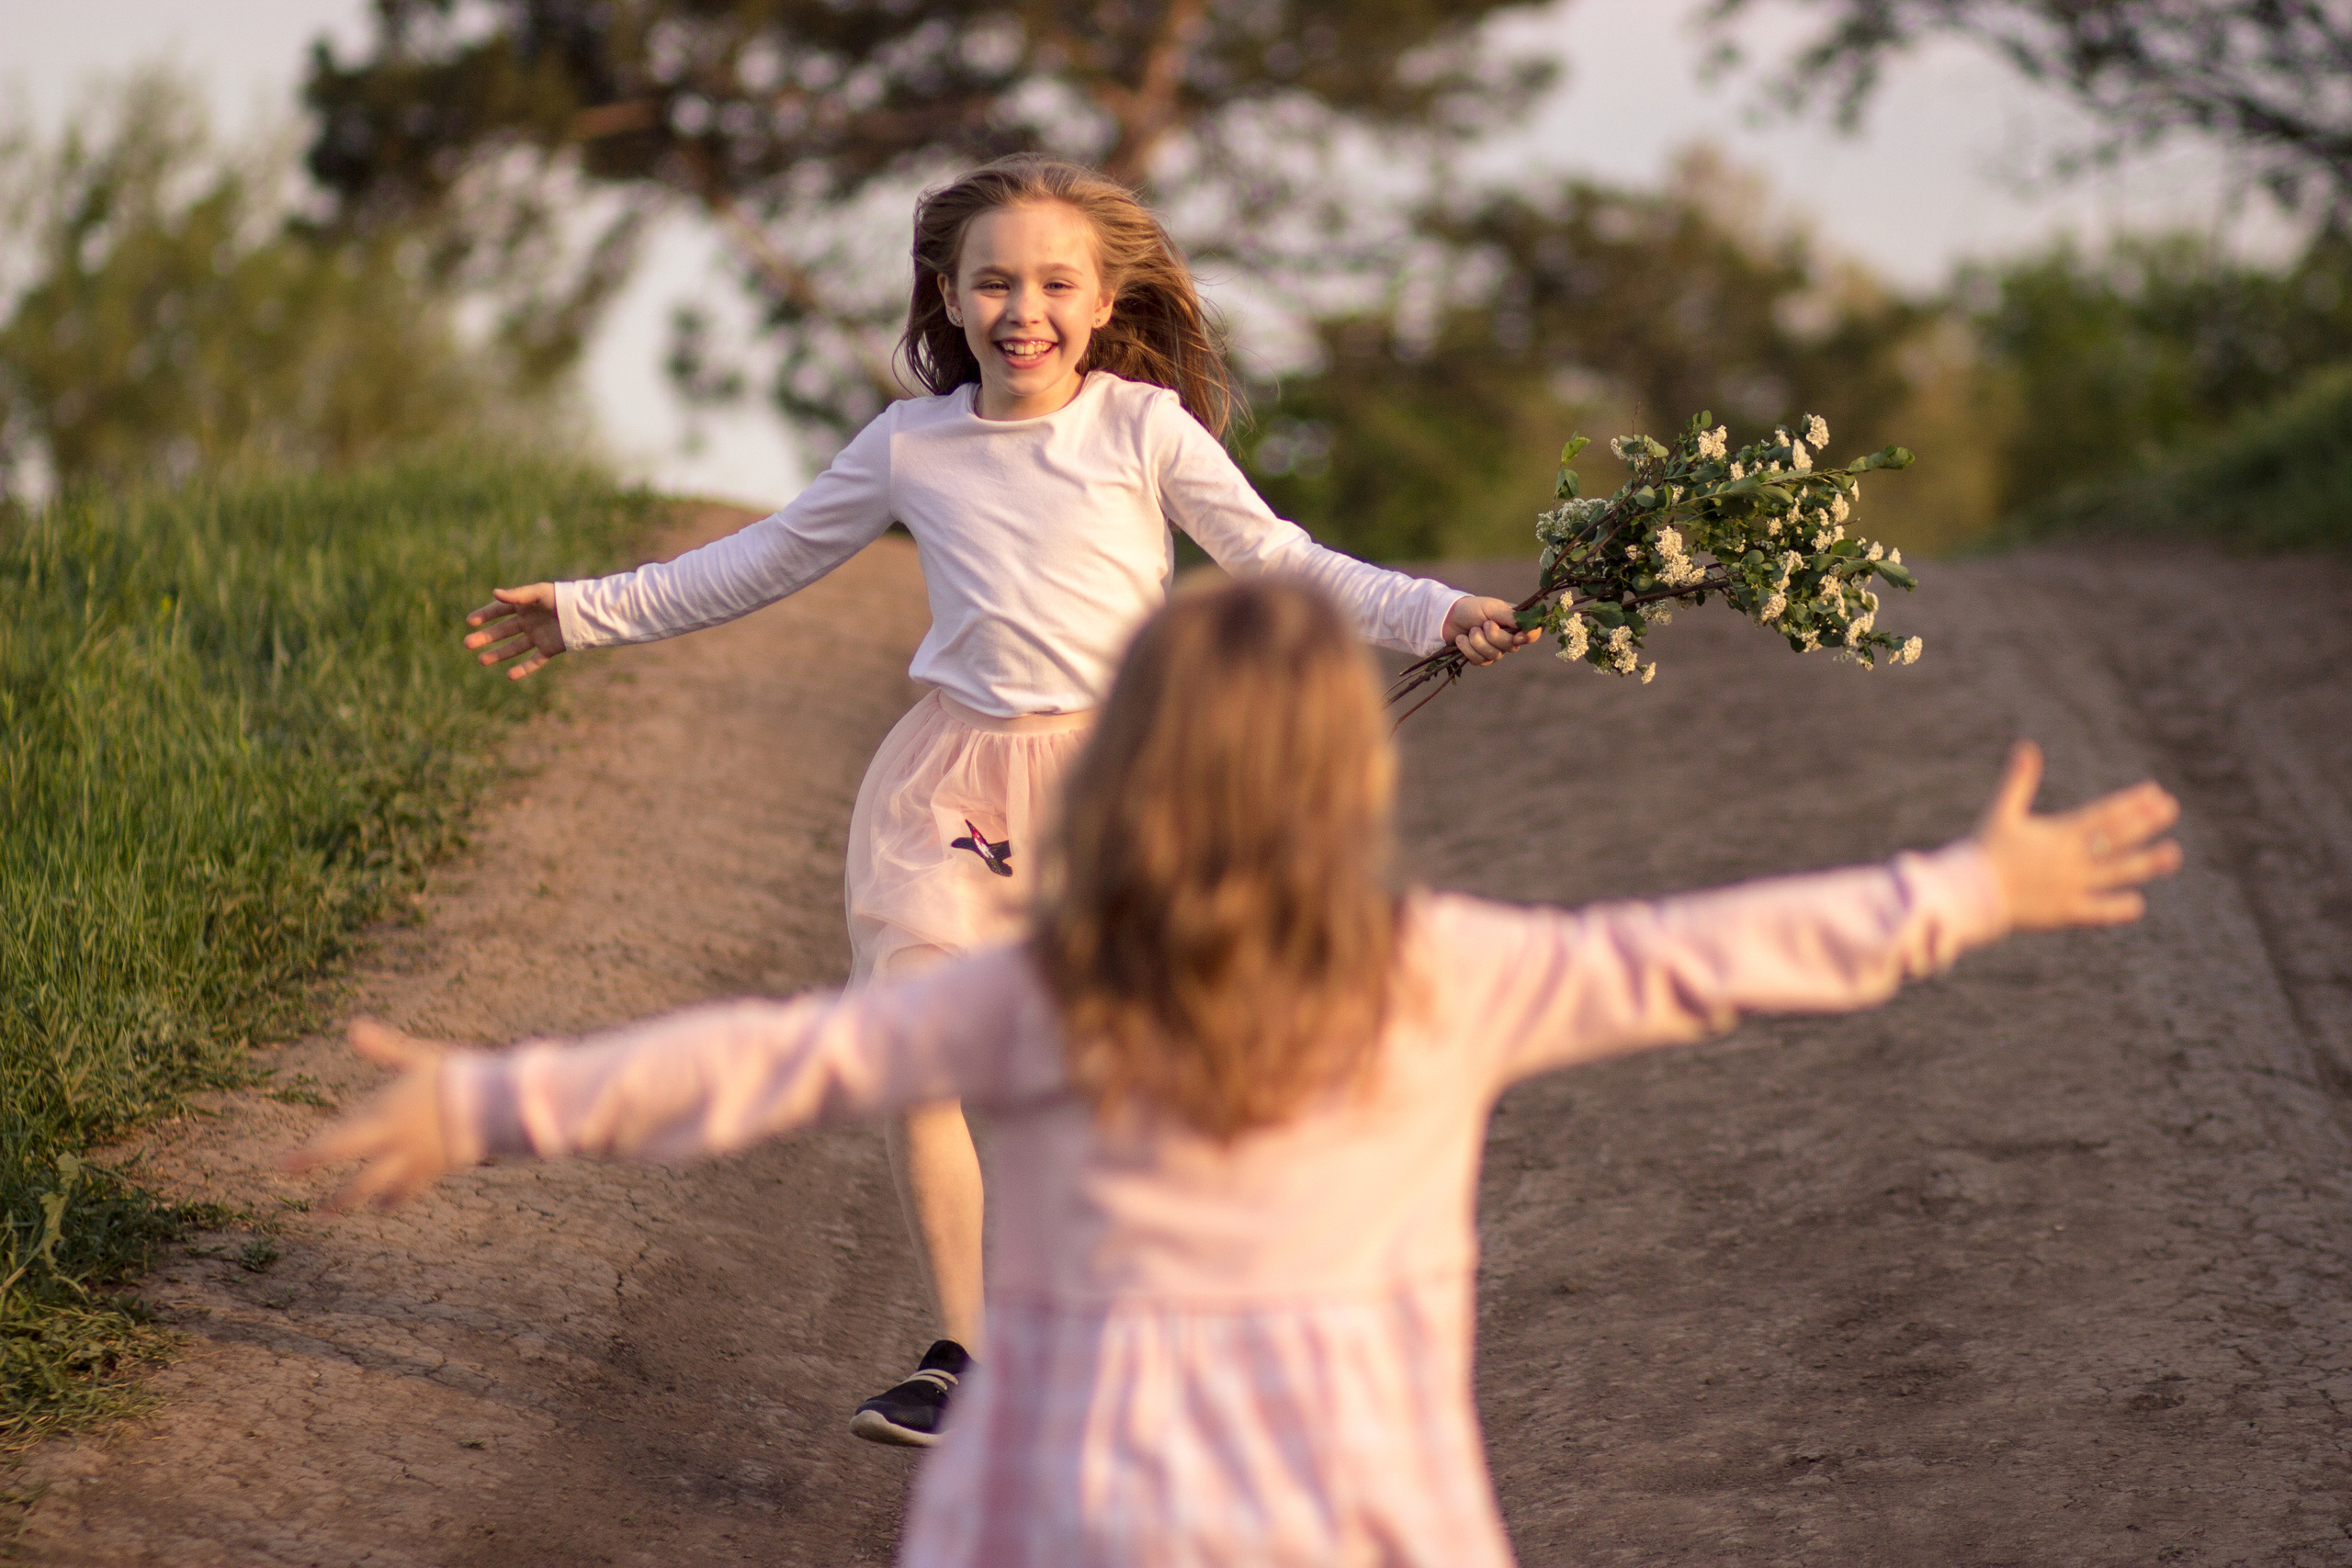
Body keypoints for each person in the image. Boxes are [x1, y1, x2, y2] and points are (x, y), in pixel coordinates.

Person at [300, 576, 2180, 1568]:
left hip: (1057, 1504)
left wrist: (490, 1098)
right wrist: (1958, 888)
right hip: (1347, 1504)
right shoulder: (1443, 973)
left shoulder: (1036, 994)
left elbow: (770, 1063)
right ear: (1345, 785)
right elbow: (1703, 956)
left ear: (1117, 775)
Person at [456, 154, 1533, 1444]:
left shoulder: (1141, 430)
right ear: (951, 301)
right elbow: (763, 559)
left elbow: (1278, 561)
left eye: (1054, 283)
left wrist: (1440, 612)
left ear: (1100, 300)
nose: (1024, 307)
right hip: (946, 787)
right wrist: (582, 614)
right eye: (994, 283)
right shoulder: (911, 445)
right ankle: (962, 1354)